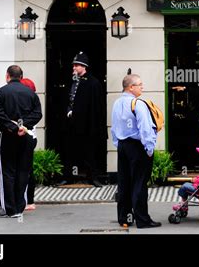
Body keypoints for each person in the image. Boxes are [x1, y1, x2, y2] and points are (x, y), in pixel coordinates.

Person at [111, 74, 161, 229]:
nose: (142, 87)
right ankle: (142, 219)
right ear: (130, 87)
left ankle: (125, 218)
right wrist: (149, 148)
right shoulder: (138, 103)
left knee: (124, 182)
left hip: (122, 146)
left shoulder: (117, 103)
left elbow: (114, 127)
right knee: (139, 183)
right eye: (139, 84)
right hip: (137, 147)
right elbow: (145, 128)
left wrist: (118, 143)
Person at [0, 65, 42, 218]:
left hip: (8, 135)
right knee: (23, 171)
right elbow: (38, 114)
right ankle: (20, 206)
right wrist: (23, 126)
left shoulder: (1, 92)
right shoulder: (31, 93)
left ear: (7, 75)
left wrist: (12, 127)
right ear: (21, 76)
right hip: (25, 135)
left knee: (7, 172)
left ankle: (10, 208)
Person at [63, 51, 105, 187]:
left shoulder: (93, 83)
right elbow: (69, 99)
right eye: (73, 65)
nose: (74, 67)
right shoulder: (72, 81)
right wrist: (69, 111)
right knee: (70, 151)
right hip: (72, 123)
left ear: (84, 66)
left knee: (90, 153)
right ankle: (69, 176)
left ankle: (93, 177)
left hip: (87, 125)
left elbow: (97, 107)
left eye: (76, 65)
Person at [20, 78, 38, 211]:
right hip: (32, 136)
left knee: (23, 169)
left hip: (25, 135)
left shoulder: (25, 100)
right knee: (28, 169)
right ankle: (29, 200)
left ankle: (26, 200)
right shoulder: (33, 99)